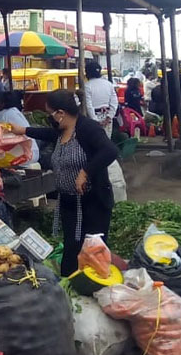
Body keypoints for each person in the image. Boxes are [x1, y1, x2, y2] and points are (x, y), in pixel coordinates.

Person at [9, 90, 118, 276]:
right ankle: (70, 288)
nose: (48, 117)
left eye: (49, 112)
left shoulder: (87, 129)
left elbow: (110, 151)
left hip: (92, 204)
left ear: (60, 113)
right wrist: (24, 130)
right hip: (69, 203)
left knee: (92, 251)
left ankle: (93, 287)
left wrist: (85, 172)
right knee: (71, 249)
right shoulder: (61, 131)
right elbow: (47, 133)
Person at [0, 91, 39, 167]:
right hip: (34, 153)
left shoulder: (4, 114)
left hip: (25, 156)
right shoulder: (15, 112)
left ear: (2, 103)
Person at [82, 60, 118, 135]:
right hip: (107, 116)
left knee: (94, 143)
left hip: (94, 116)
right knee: (106, 142)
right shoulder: (109, 84)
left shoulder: (87, 86)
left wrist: (95, 120)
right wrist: (109, 117)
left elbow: (89, 105)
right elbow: (114, 102)